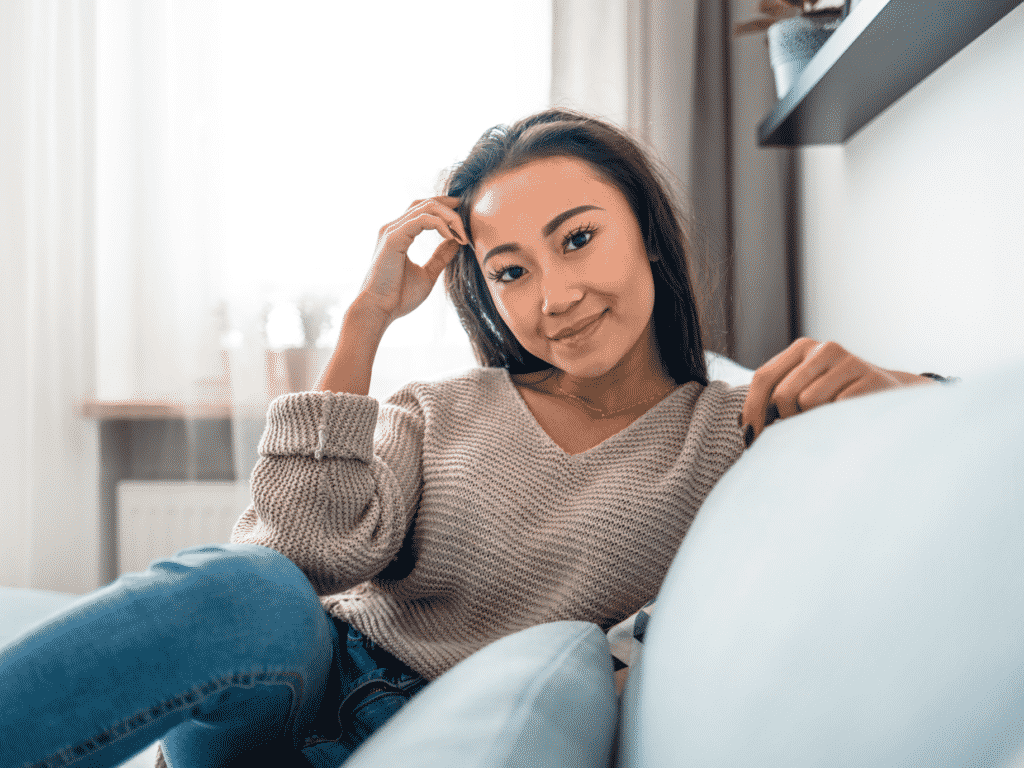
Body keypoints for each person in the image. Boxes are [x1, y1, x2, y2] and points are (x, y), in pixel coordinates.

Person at [0, 107, 936, 768]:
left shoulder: (730, 430)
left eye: (578, 240)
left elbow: (949, 466)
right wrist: (368, 318)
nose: (555, 297)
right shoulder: (442, 408)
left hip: (453, 733)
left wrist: (901, 389)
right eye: (511, 272)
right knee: (244, 584)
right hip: (300, 696)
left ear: (648, 234)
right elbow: (294, 554)